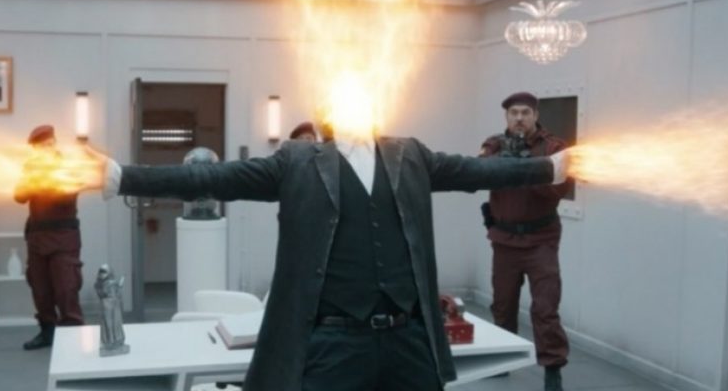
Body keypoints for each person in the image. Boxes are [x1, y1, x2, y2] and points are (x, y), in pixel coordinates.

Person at [81, 118, 570, 391]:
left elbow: (477, 172)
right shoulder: (297, 161)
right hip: (334, 345)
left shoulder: (411, 154)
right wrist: (125, 177)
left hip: (408, 341)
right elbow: (214, 177)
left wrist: (549, 168)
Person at [479, 92, 571, 391]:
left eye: (525, 112)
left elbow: (559, 188)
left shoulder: (553, 148)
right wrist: (500, 164)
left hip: (540, 240)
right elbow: (477, 174)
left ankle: (553, 368)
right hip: (505, 240)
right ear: (506, 117)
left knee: (545, 307)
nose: (519, 118)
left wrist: (528, 167)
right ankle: (502, 360)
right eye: (514, 113)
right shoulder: (494, 146)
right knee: (503, 305)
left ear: (535, 116)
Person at [14, 124, 84, 350]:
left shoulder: (68, 167)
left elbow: (65, 199)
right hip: (37, 238)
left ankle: (73, 338)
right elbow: (19, 196)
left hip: (63, 238)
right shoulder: (31, 168)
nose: (44, 150)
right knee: (40, 290)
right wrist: (32, 176)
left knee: (66, 288)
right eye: (39, 147)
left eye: (47, 145)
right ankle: (47, 333)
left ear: (53, 144)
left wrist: (43, 179)